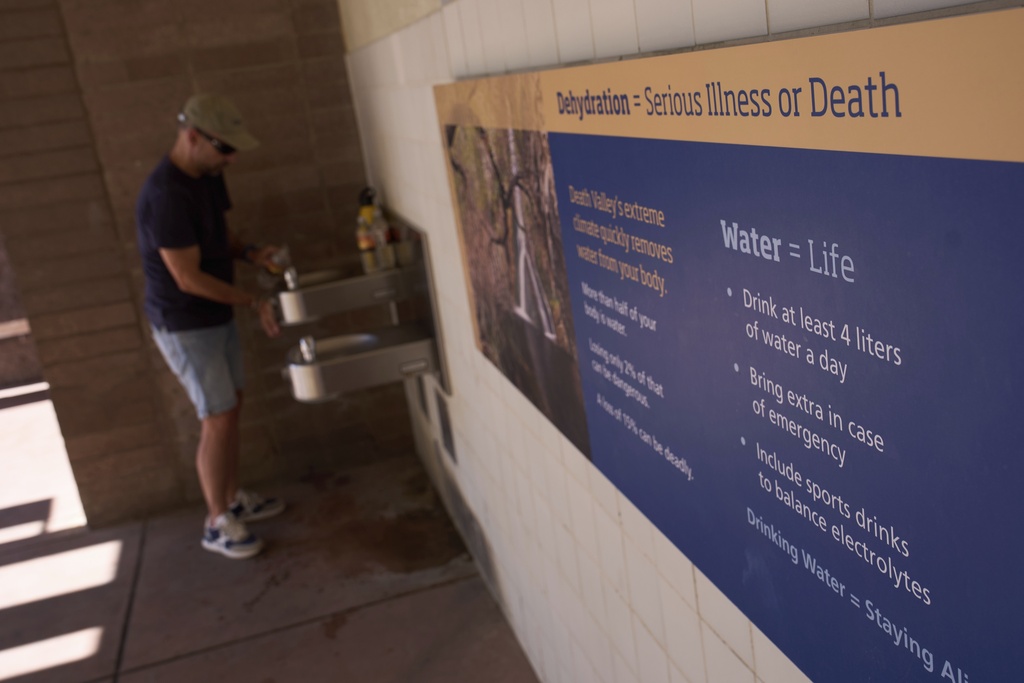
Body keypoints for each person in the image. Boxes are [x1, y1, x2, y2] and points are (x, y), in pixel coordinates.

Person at [136, 94, 284, 560]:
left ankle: (233, 496)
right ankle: (216, 521)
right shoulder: (165, 195)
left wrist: (251, 252)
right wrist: (253, 300)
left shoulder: (207, 176)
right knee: (216, 417)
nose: (231, 158)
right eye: (225, 148)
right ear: (192, 136)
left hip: (212, 316)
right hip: (184, 323)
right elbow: (187, 276)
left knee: (230, 408)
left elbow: (220, 236)